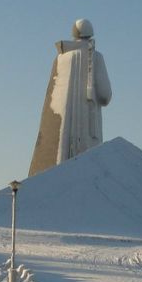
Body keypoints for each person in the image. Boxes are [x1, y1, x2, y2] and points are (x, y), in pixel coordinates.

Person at [28, 18, 113, 176]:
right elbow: (105, 95)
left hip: (64, 136)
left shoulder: (61, 58)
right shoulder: (96, 57)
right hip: (89, 128)